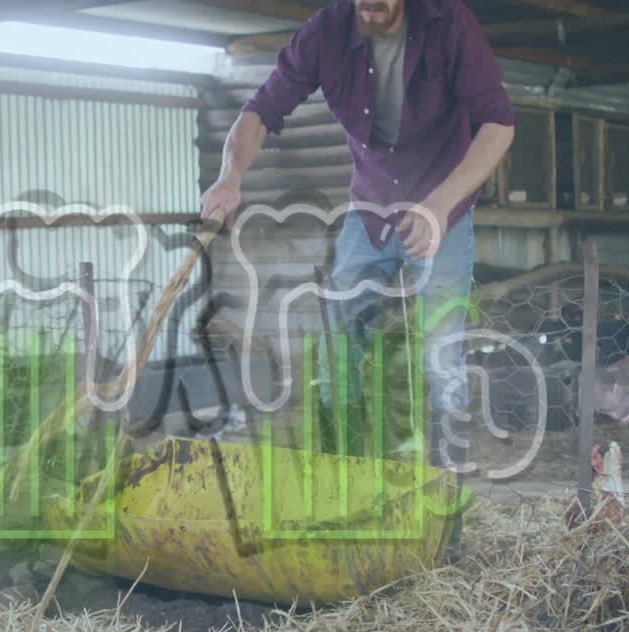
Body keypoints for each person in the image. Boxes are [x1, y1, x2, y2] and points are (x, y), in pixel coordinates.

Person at [200, 0, 515, 561]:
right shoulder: (325, 33)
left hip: (443, 210)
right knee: (338, 349)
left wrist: (439, 208)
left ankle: (446, 527)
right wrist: (230, 176)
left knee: (441, 357)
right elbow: (261, 110)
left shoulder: (450, 24)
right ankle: (343, 502)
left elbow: (498, 123)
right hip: (369, 210)